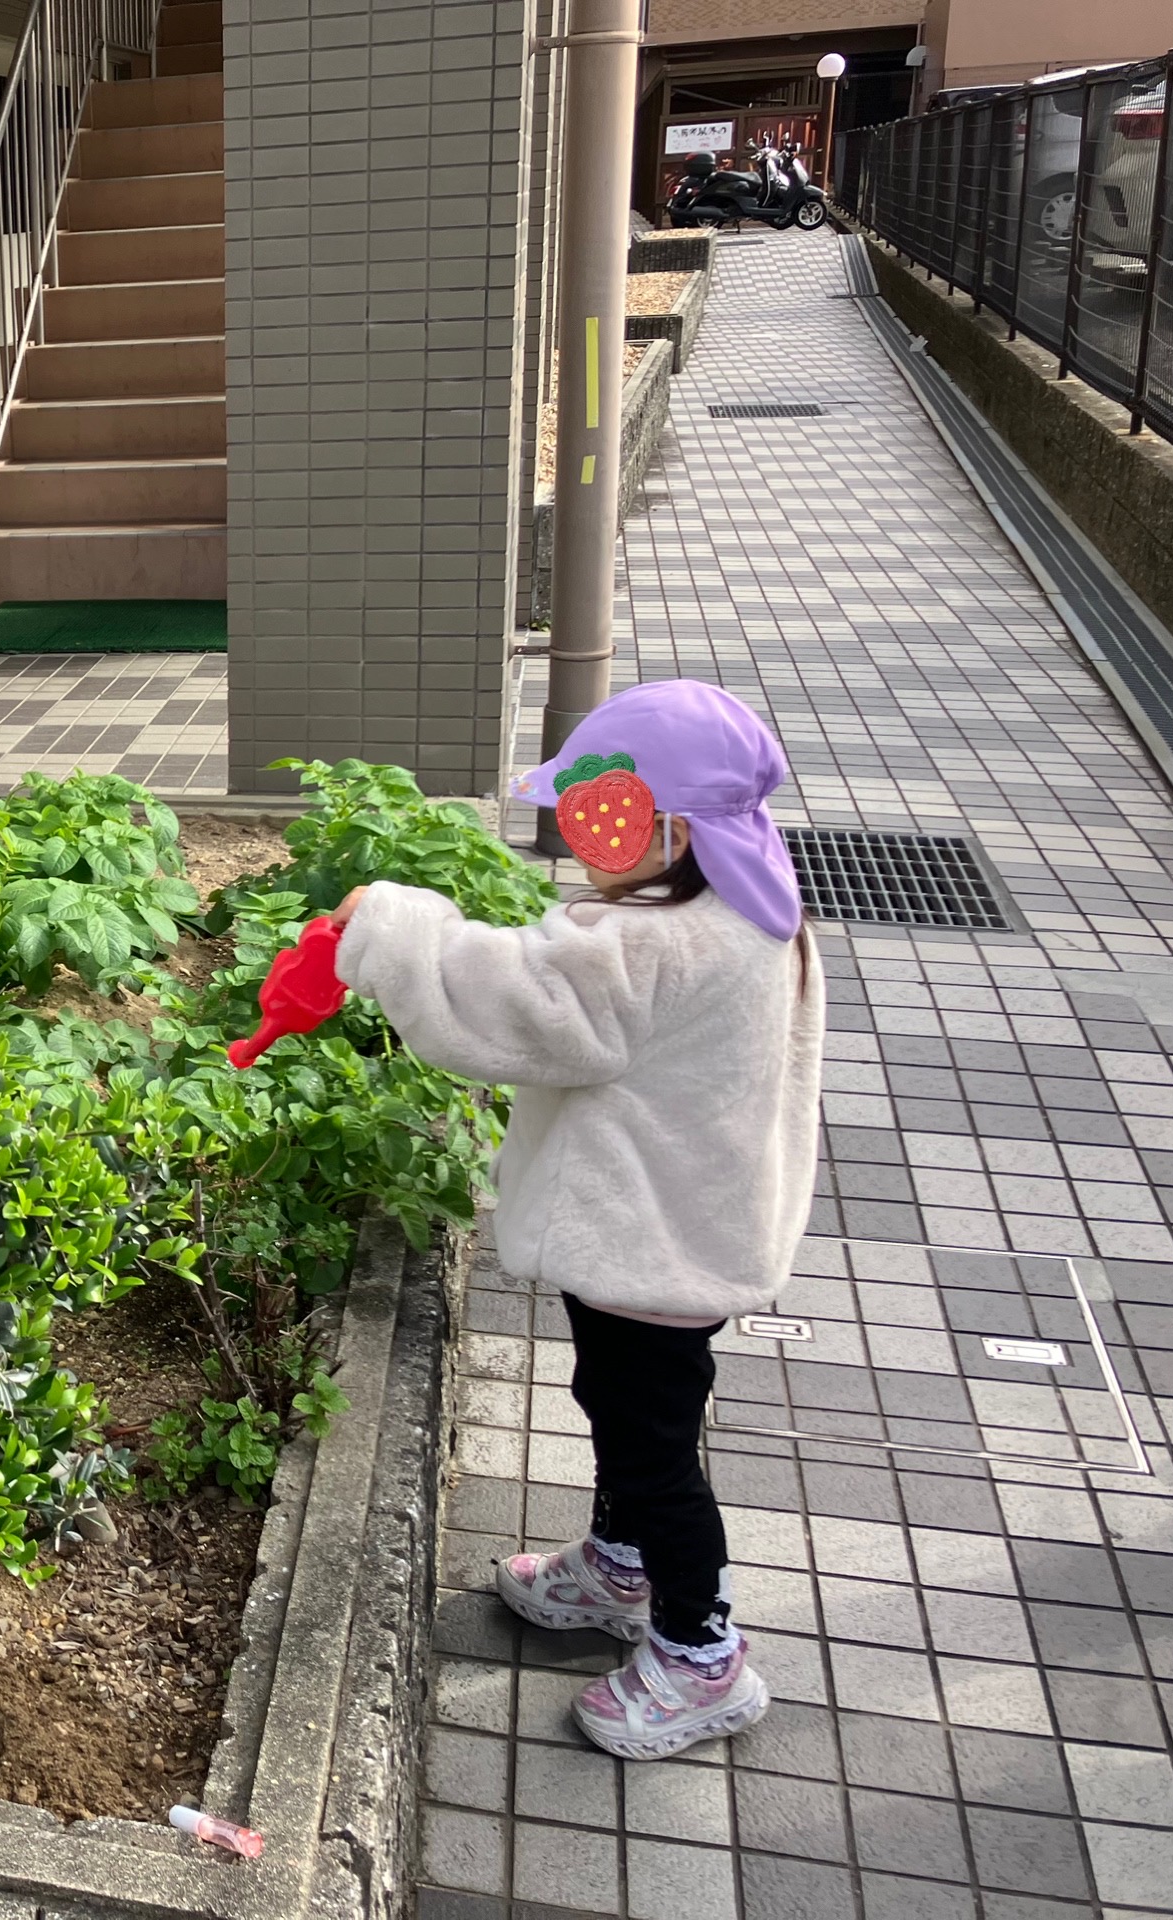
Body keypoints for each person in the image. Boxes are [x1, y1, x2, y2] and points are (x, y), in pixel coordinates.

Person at [328, 680, 822, 1762]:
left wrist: (393, 926)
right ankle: (619, 1566)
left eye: (603, 816)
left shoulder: (651, 946)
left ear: (676, 832)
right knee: (625, 1408)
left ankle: (701, 1655)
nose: (578, 839)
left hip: (655, 1247)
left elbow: (520, 1003)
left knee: (655, 1453)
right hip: (683, 1231)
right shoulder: (745, 907)